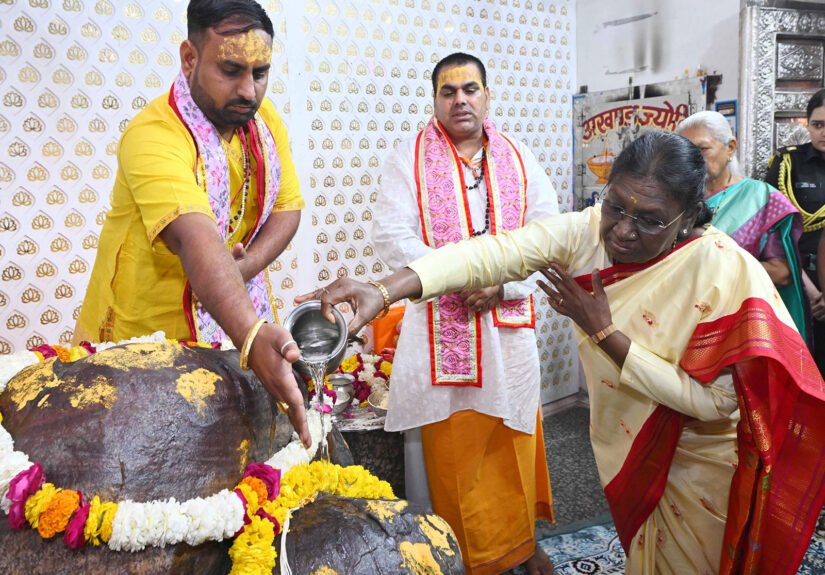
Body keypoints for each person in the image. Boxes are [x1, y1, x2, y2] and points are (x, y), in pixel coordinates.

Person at [300, 131, 825, 574]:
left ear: (688, 217)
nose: (622, 230)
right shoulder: (587, 232)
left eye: (648, 220)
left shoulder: (724, 270)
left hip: (702, 460)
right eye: (616, 206)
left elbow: (716, 404)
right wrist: (386, 290)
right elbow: (496, 253)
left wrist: (606, 334)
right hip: (627, 439)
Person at [74, 0, 310, 446]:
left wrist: (243, 267)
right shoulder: (153, 135)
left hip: (230, 311)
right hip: (147, 340)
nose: (248, 90)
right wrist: (253, 333)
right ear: (190, 58)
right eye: (231, 69)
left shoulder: (262, 120)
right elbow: (195, 236)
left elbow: (288, 207)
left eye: (259, 73)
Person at [369, 52, 557, 575]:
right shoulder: (408, 157)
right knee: (451, 454)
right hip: (441, 334)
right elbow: (390, 234)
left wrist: (503, 282)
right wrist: (464, 274)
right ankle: (456, 557)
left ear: (487, 95)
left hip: (508, 333)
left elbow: (548, 234)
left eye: (469, 89)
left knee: (511, 442)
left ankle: (519, 544)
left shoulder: (518, 157)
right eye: (448, 91)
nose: (460, 100)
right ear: (434, 100)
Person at [678, 111, 808, 341]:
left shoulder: (762, 198)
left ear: (730, 147)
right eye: (686, 152)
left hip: (740, 326)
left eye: (702, 149)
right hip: (682, 320)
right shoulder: (677, 201)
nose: (693, 159)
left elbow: (782, 273)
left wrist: (712, 268)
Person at [766, 89, 825, 372]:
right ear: (807, 125)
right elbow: (775, 231)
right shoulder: (788, 164)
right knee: (798, 367)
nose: (824, 132)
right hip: (796, 280)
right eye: (818, 125)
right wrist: (810, 290)